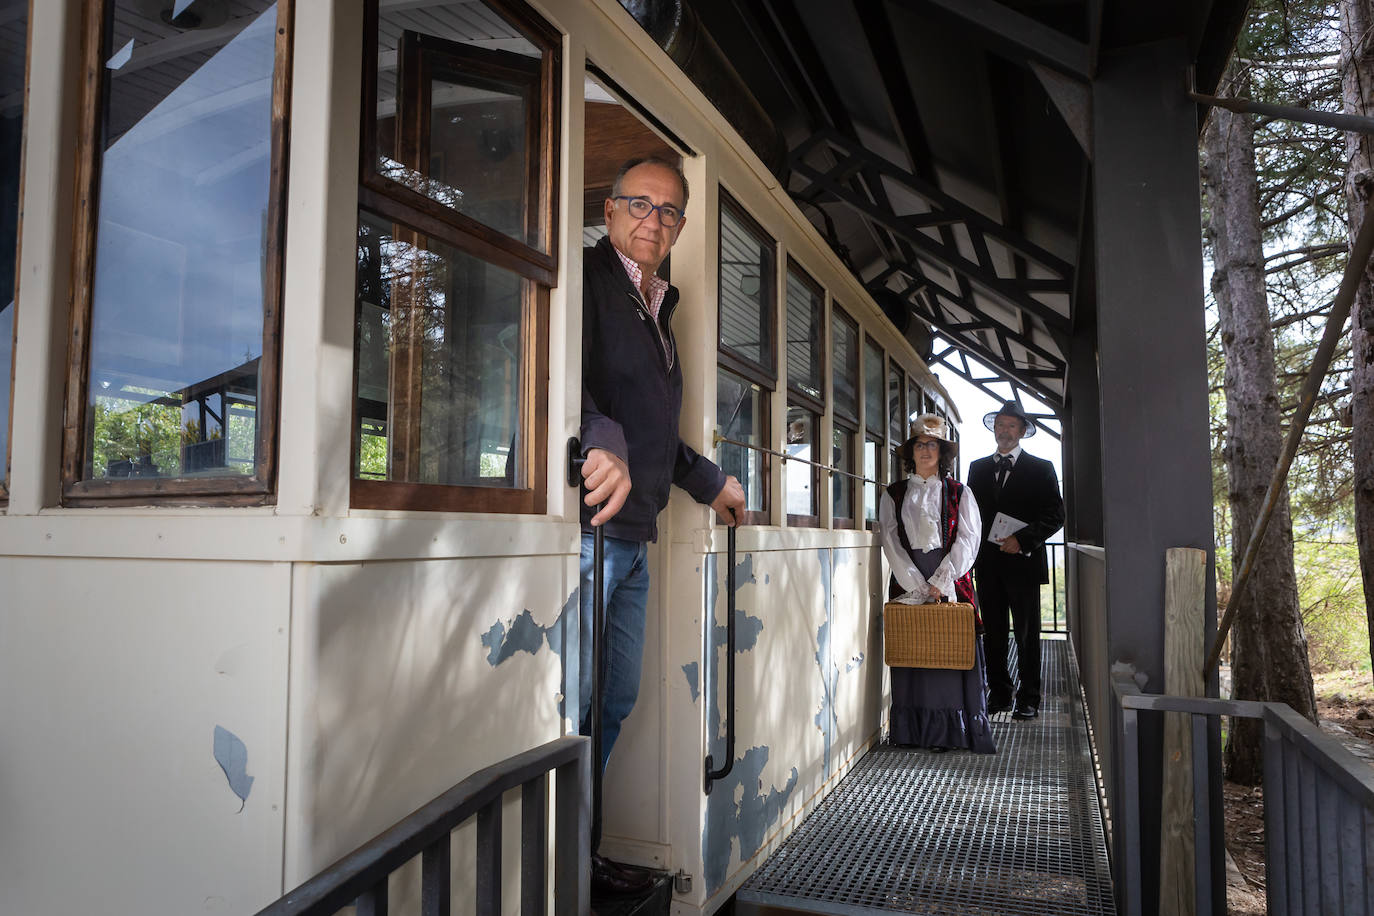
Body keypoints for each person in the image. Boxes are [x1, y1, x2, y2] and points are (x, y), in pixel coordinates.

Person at [579, 156, 746, 894]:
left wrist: (712, 483)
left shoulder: (656, 303)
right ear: (610, 212)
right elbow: (550, 373)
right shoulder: (584, 279)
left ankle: (578, 854)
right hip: (590, 532)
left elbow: (654, 432)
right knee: (575, 708)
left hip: (635, 535)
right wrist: (597, 436)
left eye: (669, 211)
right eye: (639, 205)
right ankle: (564, 864)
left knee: (612, 703)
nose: (654, 220)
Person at [878, 414, 995, 754]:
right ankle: (912, 731)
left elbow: (969, 539)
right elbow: (890, 539)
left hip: (950, 580)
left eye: (932, 445)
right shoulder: (894, 494)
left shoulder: (960, 492)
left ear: (942, 453)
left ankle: (951, 733)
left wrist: (940, 581)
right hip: (908, 577)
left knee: (951, 651)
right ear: (910, 452)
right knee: (913, 649)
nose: (926, 450)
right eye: (920, 444)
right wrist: (915, 584)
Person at [967, 400, 1066, 721]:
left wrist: (1021, 539)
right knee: (993, 633)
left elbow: (1056, 514)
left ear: (1023, 431)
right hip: (988, 566)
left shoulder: (1042, 468)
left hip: (1023, 564)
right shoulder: (978, 468)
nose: (1004, 430)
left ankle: (1029, 698)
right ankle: (999, 695)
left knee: (1026, 635)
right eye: (1000, 424)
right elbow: (970, 517)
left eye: (1011, 425)